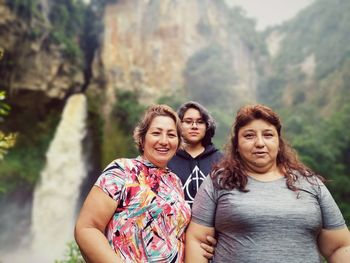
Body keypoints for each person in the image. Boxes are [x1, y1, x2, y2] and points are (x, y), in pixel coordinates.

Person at [185, 104, 350, 263]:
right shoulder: (218, 181)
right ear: (236, 145)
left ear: (279, 143)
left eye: (268, 135)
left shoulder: (309, 182)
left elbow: (339, 246)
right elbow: (197, 241)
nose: (259, 143)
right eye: (249, 135)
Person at [74, 104, 214, 262]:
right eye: (156, 133)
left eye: (171, 135)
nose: (164, 141)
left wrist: (206, 244)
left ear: (178, 142)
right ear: (142, 138)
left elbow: (175, 234)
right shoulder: (122, 170)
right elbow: (87, 228)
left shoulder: (174, 181)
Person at [168, 101, 222, 207]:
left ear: (207, 126)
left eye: (200, 122)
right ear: (178, 125)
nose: (194, 126)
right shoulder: (167, 159)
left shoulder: (222, 160)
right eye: (188, 122)